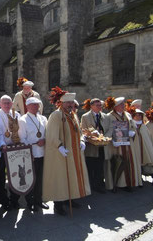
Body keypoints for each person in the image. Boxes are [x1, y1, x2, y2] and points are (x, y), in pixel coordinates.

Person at [43, 88, 90, 216]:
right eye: (67, 103)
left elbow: (79, 131)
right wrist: (59, 146)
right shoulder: (56, 115)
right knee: (61, 177)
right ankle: (58, 204)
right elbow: (51, 134)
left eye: (71, 102)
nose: (70, 105)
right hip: (62, 153)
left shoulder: (73, 115)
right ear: (61, 103)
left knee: (72, 175)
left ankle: (71, 197)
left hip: (74, 151)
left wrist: (81, 140)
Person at [18, 97, 49, 211]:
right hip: (31, 153)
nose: (36, 107)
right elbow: (22, 138)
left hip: (42, 152)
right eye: (33, 105)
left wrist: (44, 140)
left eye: (37, 105)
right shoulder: (23, 120)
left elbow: (47, 133)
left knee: (40, 178)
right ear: (27, 106)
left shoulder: (43, 118)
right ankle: (29, 202)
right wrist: (29, 151)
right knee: (30, 178)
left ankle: (39, 200)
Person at [104, 97, 140, 192]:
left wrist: (132, 131)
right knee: (117, 163)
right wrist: (112, 139)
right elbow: (107, 130)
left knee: (129, 161)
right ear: (115, 107)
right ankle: (117, 184)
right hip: (116, 145)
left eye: (123, 104)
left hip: (128, 143)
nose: (123, 105)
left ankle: (129, 183)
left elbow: (132, 125)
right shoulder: (109, 116)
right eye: (121, 104)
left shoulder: (127, 114)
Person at [0, 95, 21, 210]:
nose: (7, 105)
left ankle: (15, 200)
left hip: (14, 148)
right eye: (4, 103)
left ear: (12, 104)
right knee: (1, 177)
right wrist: (3, 144)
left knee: (15, 174)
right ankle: (4, 201)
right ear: (0, 104)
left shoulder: (17, 114)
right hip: (2, 148)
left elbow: (20, 130)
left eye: (9, 103)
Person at [80, 98, 111, 193]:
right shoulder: (85, 117)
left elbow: (110, 128)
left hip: (102, 145)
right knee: (91, 166)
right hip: (91, 147)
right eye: (97, 105)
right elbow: (84, 129)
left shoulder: (105, 116)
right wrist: (92, 136)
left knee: (100, 166)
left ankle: (99, 184)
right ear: (91, 106)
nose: (100, 107)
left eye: (100, 105)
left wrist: (104, 137)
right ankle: (91, 185)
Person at [128, 107, 153, 186]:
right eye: (136, 115)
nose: (138, 117)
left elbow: (148, 137)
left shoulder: (144, 126)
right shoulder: (131, 125)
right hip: (135, 148)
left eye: (140, 115)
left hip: (144, 147)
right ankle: (138, 178)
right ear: (133, 116)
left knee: (146, 161)